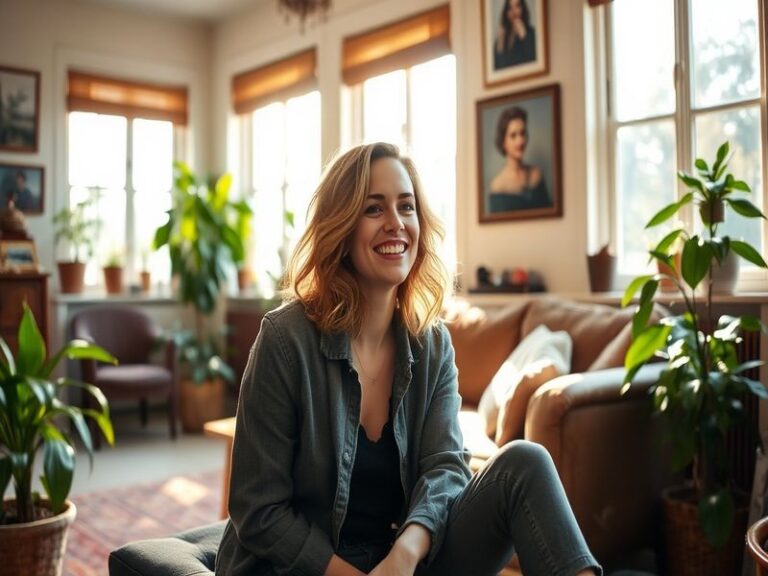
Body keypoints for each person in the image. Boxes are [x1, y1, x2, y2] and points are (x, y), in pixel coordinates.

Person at [215, 142, 600, 576]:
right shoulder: (286, 340)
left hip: (396, 562)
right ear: (340, 228)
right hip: (300, 569)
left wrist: (404, 554)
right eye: (374, 209)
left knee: (526, 463)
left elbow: (445, 465)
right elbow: (258, 509)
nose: (396, 224)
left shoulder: (431, 342)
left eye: (407, 207)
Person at [489, 106, 550, 213]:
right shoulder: (497, 186)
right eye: (513, 136)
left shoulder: (536, 175)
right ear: (503, 142)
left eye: (522, 133)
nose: (520, 141)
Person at [494, 0, 537, 70]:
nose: (514, 12)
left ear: (522, 9)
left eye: (517, 6)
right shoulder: (502, 37)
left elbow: (533, 60)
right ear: (506, 13)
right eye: (510, 8)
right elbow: (498, 68)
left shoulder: (531, 33)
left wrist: (524, 37)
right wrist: (500, 43)